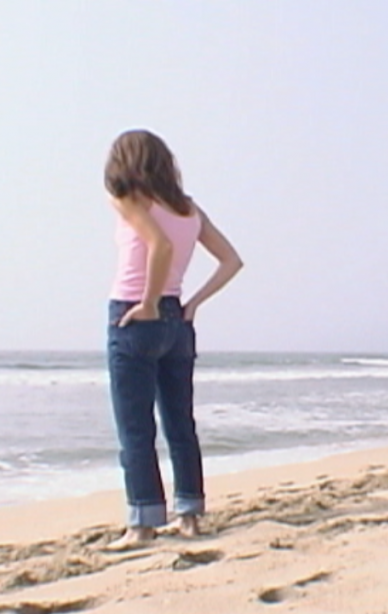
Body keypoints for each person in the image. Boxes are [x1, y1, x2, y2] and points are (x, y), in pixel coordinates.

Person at [103, 129, 243, 549]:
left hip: (134, 313)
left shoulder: (128, 196)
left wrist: (146, 303)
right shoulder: (188, 207)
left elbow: (158, 245)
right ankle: (190, 516)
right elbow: (231, 260)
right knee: (180, 423)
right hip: (177, 319)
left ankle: (142, 523)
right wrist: (193, 302)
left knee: (136, 426)